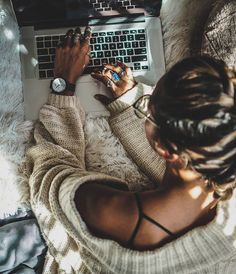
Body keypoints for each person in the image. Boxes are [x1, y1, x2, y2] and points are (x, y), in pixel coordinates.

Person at [25, 27, 236, 273]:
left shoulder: (111, 212)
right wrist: (129, 103)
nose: (143, 107)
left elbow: (49, 176)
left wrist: (62, 86)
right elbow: (182, 178)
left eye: (147, 106)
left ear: (166, 150)